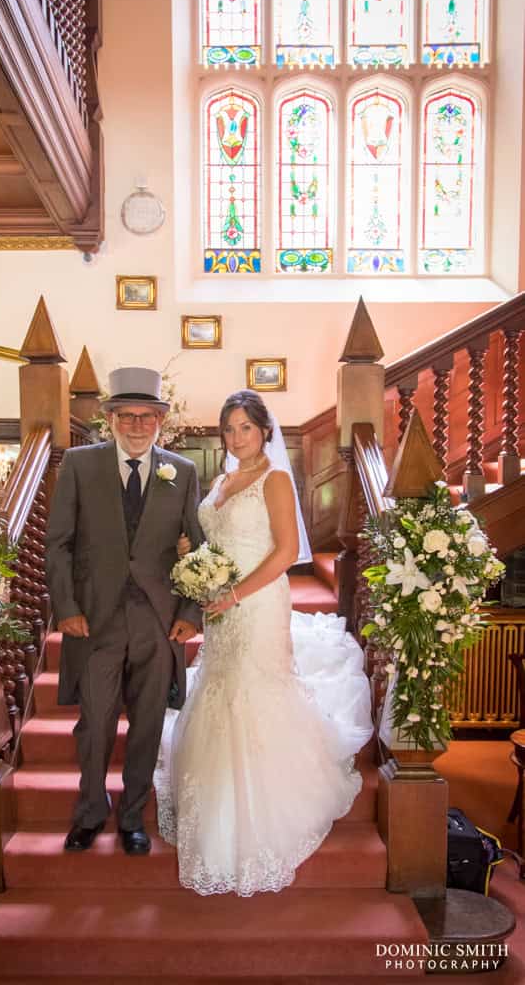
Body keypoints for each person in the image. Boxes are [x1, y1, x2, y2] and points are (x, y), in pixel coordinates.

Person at [154, 389, 373, 896]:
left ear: (265, 431)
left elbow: (287, 552)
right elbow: (216, 538)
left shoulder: (275, 478)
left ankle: (259, 810)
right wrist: (194, 553)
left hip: (255, 602)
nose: (235, 438)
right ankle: (216, 801)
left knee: (253, 692)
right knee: (219, 687)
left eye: (245, 428)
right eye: (228, 430)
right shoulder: (223, 479)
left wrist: (234, 594)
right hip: (222, 603)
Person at [46, 367, 203, 856]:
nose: (137, 425)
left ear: (160, 420)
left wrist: (190, 613)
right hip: (95, 619)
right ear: (110, 418)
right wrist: (66, 608)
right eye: (127, 415)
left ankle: (133, 815)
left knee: (149, 721)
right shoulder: (78, 463)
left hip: (159, 621)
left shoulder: (183, 471)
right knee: (94, 721)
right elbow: (58, 544)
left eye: (147, 416)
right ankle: (91, 811)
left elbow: (198, 551)